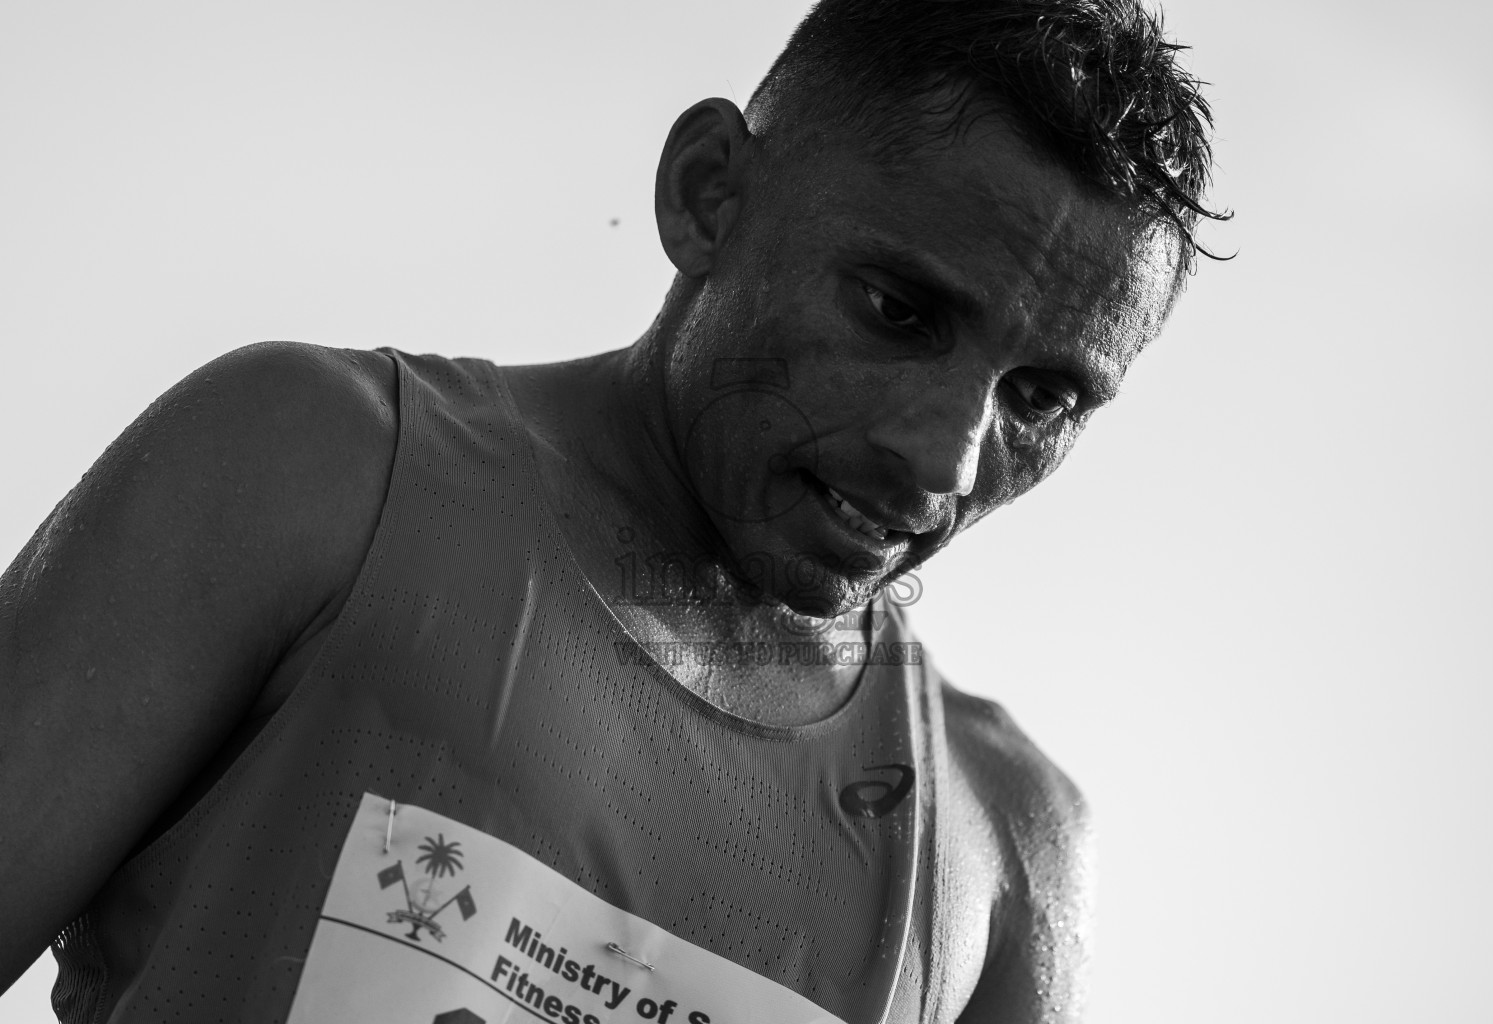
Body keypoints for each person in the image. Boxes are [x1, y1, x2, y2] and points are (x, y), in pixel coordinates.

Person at [0, 0, 1225, 1019]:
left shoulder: (1007, 845)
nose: (947, 460)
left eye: (1044, 397)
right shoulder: (306, 467)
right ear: (707, 195)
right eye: (900, 311)